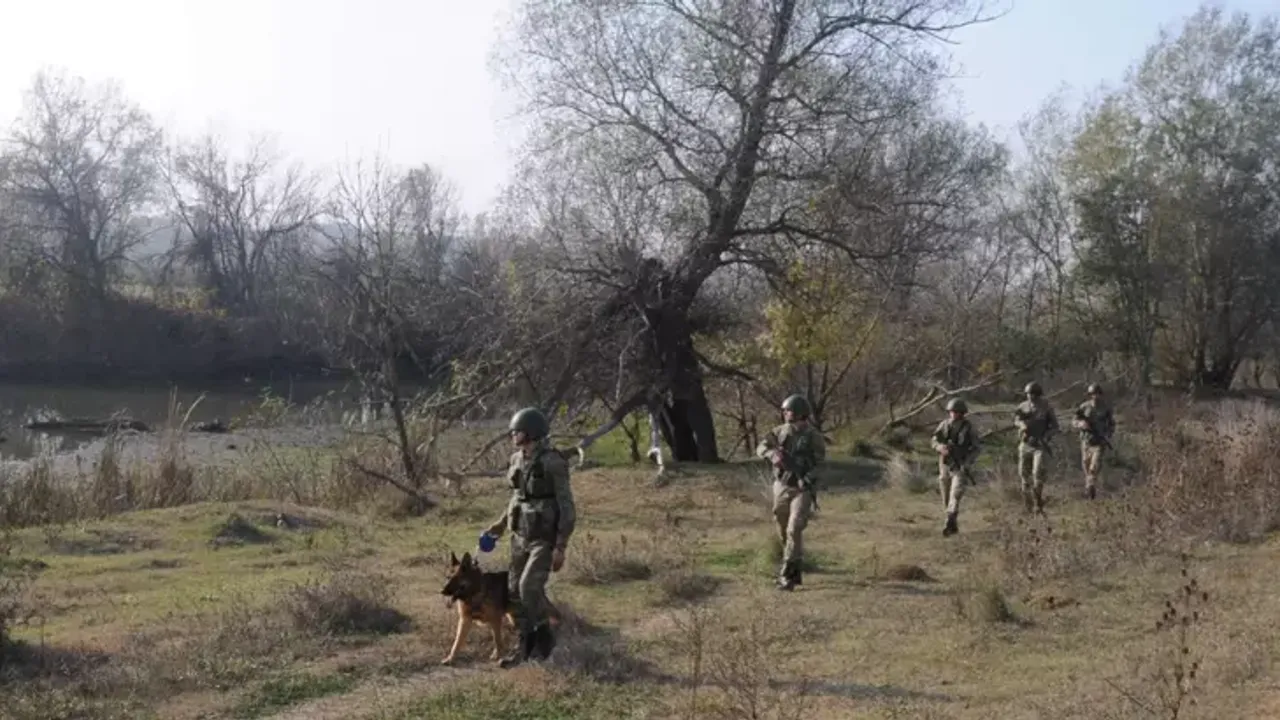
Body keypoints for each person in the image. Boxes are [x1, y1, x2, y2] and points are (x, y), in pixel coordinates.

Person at [480, 406, 576, 667]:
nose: (513, 435)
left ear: (530, 433)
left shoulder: (553, 462)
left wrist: (561, 546)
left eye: (517, 431)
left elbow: (567, 507)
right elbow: (518, 498)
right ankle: (525, 646)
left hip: (543, 538)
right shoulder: (516, 460)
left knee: (529, 588)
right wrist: (500, 526)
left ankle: (545, 642)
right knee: (513, 592)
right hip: (520, 535)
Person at [755, 394, 826, 591]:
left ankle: (787, 575)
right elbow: (761, 447)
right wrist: (772, 455)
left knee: (794, 528)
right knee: (782, 524)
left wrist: (808, 478)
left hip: (802, 488)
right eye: (784, 410)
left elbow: (821, 463)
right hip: (781, 485)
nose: (785, 413)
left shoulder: (813, 436)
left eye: (789, 410)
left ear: (800, 413)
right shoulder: (779, 432)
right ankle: (794, 561)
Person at [931, 397, 981, 537]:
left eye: (957, 412)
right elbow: (934, 440)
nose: (954, 414)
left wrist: (968, 462)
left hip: (960, 465)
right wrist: (940, 447)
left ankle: (950, 519)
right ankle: (952, 522)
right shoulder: (944, 425)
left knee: (956, 493)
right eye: (952, 411)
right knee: (946, 494)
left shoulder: (969, 428)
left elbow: (977, 448)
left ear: (962, 413)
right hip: (945, 464)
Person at [1013, 381, 1059, 513]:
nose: (1030, 396)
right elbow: (1016, 420)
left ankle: (1038, 502)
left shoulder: (1046, 407)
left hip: (1039, 445)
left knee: (1037, 474)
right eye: (1028, 393)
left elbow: (1055, 427)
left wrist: (1046, 436)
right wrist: (1021, 425)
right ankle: (1028, 505)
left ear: (1038, 394)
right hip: (1025, 444)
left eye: (1033, 394)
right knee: (1024, 475)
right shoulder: (1022, 406)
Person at [1072, 383, 1115, 499]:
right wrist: (1081, 424)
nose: (1095, 396)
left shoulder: (1106, 408)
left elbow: (1111, 424)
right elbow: (1074, 421)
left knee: (1093, 467)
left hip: (1099, 442)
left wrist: (1108, 434)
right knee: (1086, 465)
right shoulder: (1084, 407)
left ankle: (1091, 489)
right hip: (1086, 441)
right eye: (1092, 394)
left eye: (1097, 394)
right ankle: (1088, 486)